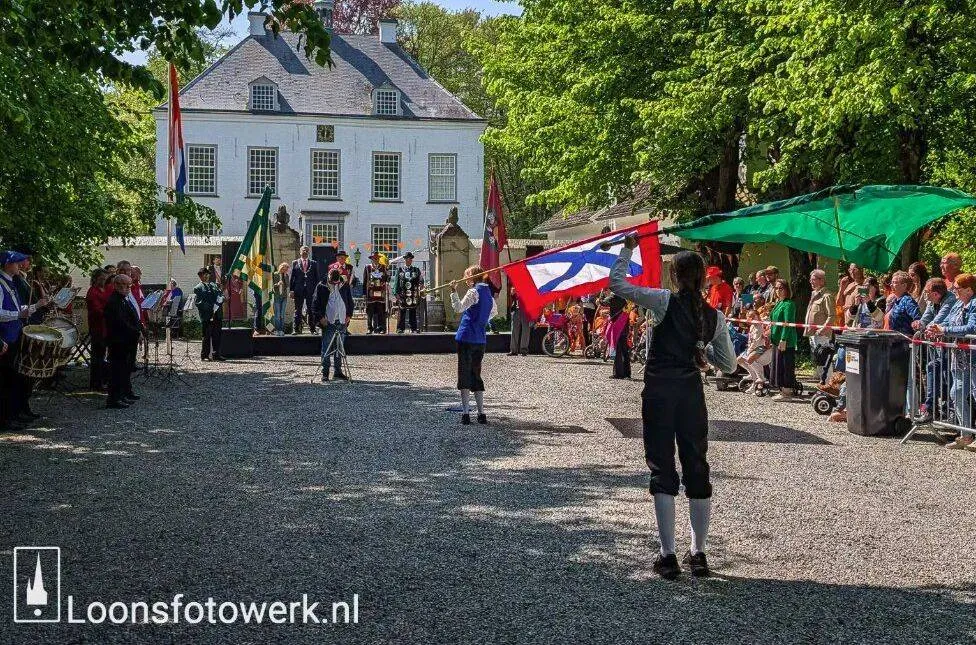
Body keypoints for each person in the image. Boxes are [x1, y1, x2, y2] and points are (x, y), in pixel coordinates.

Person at [606, 238, 736, 579]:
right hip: (692, 394)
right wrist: (703, 354)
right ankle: (699, 553)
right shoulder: (714, 316)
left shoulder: (663, 301)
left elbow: (617, 285)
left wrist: (626, 250)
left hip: (660, 392)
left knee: (662, 466)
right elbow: (730, 365)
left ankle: (668, 554)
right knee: (697, 464)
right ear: (704, 279)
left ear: (675, 276)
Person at [928, 274, 976, 449]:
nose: (954, 290)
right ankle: (966, 434)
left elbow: (972, 328)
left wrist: (945, 329)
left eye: (957, 288)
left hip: (973, 358)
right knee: (956, 393)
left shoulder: (974, 304)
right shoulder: (957, 304)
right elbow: (946, 321)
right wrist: (936, 328)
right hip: (960, 358)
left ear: (969, 290)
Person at [1, 250, 49, 424]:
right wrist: (18, 315)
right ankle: (7, 418)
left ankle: (15, 413)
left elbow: (17, 307)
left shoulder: (10, 282)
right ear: (7, 264)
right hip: (6, 336)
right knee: (7, 380)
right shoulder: (1, 284)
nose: (19, 265)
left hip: (14, 333)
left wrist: (35, 306)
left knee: (15, 378)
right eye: (16, 263)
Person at [451, 265, 497, 425]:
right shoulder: (489, 294)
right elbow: (493, 312)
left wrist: (453, 292)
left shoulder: (473, 291)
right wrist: (482, 321)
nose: (465, 279)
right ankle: (481, 413)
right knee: (476, 374)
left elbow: (458, 308)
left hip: (466, 336)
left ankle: (465, 413)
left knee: (464, 373)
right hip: (480, 339)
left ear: (473, 277)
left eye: (467, 276)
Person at [913, 279, 956, 423]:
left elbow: (939, 320)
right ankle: (933, 410)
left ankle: (949, 414)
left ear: (936, 294)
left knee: (950, 382)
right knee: (937, 371)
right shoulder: (933, 302)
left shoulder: (950, 300)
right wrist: (920, 323)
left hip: (953, 351)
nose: (925, 296)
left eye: (927, 293)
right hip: (939, 349)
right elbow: (927, 318)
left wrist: (926, 328)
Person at [103, 274, 141, 409]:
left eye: (129, 286)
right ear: (118, 285)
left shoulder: (123, 299)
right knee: (116, 370)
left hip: (126, 340)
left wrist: (139, 329)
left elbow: (132, 317)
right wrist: (135, 331)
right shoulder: (114, 301)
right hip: (118, 341)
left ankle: (122, 394)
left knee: (124, 369)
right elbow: (121, 322)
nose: (129, 288)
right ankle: (113, 399)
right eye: (127, 286)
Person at [311, 267, 354, 382]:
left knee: (339, 348)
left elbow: (350, 302)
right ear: (329, 277)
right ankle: (325, 373)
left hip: (341, 321)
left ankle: (338, 372)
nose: (335, 284)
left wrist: (349, 315)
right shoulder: (321, 286)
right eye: (332, 282)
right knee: (326, 348)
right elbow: (315, 305)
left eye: (336, 282)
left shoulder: (344, 285)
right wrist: (320, 318)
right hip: (328, 322)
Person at [769, 279, 799, 401]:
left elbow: (788, 322)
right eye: (776, 288)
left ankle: (787, 392)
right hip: (776, 339)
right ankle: (781, 389)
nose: (778, 290)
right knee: (779, 365)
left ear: (786, 289)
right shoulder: (778, 303)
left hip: (786, 339)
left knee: (786, 365)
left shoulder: (789, 304)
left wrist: (783, 339)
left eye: (781, 288)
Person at [804, 269, 835, 385]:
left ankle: (829, 385)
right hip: (813, 334)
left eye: (813, 280)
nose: (811, 282)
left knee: (825, 359)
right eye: (811, 279)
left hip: (822, 335)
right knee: (817, 359)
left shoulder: (826, 296)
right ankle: (822, 383)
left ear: (821, 281)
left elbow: (831, 316)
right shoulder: (814, 294)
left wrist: (823, 329)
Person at [86, 269, 111, 391]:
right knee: (97, 356)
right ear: (95, 279)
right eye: (101, 278)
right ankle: (96, 383)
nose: (103, 280)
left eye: (105, 278)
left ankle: (102, 380)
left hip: (105, 326)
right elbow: (96, 310)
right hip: (97, 327)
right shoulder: (92, 292)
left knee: (102, 355)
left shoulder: (105, 290)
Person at [736, 305, 771, 393]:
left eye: (752, 316)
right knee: (739, 360)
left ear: (757, 316)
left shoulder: (760, 326)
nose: (750, 318)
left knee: (749, 359)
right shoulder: (752, 327)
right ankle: (753, 375)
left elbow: (756, 342)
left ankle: (761, 378)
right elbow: (750, 341)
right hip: (754, 348)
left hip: (763, 347)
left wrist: (749, 351)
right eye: (749, 317)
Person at [193, 268, 225, 361]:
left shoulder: (213, 285)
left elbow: (220, 294)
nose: (207, 276)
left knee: (217, 335)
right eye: (205, 274)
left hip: (217, 314)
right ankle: (205, 355)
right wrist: (211, 308)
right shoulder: (198, 288)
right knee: (206, 336)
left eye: (208, 274)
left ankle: (216, 354)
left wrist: (222, 298)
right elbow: (199, 303)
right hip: (207, 316)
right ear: (200, 276)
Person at [289, 246, 319, 335]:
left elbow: (317, 278)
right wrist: (291, 290)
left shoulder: (313, 263)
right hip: (298, 289)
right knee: (298, 309)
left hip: (310, 290)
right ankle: (296, 329)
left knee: (311, 310)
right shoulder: (295, 263)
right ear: (300, 252)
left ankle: (312, 329)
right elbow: (292, 278)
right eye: (303, 250)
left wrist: (317, 291)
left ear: (308, 252)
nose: (305, 251)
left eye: (306, 250)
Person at [601, 289, 630, 379]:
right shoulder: (624, 297)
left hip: (617, 325)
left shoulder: (613, 296)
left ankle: (618, 373)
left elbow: (603, 303)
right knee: (625, 350)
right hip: (624, 324)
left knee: (618, 349)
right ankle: (627, 373)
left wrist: (601, 294)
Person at [394, 252, 423, 333]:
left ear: (411, 260)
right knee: (401, 311)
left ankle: (413, 328)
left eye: (410, 259)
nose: (408, 260)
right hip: (403, 294)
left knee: (413, 312)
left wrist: (421, 285)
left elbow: (420, 279)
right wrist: (396, 293)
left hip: (413, 294)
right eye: (407, 259)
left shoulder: (416, 270)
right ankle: (400, 328)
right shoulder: (400, 270)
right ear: (405, 260)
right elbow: (396, 282)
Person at [885, 270, 921, 335]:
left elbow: (918, 319)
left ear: (904, 285)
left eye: (894, 282)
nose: (891, 285)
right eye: (891, 282)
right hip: (894, 341)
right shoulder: (895, 301)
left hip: (904, 342)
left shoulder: (908, 301)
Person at [363, 252, 390, 334]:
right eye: (374, 258)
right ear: (371, 259)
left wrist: (388, 275)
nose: (376, 260)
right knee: (369, 312)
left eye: (377, 258)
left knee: (381, 311)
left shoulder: (383, 267)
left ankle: (381, 327)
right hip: (370, 293)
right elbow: (365, 281)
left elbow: (386, 279)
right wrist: (364, 293)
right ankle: (369, 328)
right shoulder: (367, 268)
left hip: (380, 293)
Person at [509, 292, 532, 357]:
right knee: (514, 330)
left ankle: (524, 350)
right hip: (516, 310)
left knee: (526, 330)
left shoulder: (529, 287)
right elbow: (513, 297)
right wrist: (513, 294)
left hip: (526, 310)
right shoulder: (516, 286)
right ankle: (513, 350)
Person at [272, 262, 290, 336]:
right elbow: (271, 285)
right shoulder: (274, 274)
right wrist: (277, 284)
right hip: (277, 296)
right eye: (283, 268)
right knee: (277, 314)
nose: (284, 270)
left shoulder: (286, 275)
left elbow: (288, 285)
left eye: (286, 269)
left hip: (284, 297)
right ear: (280, 267)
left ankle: (281, 330)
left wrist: (285, 276)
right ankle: (277, 330)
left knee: (282, 314)